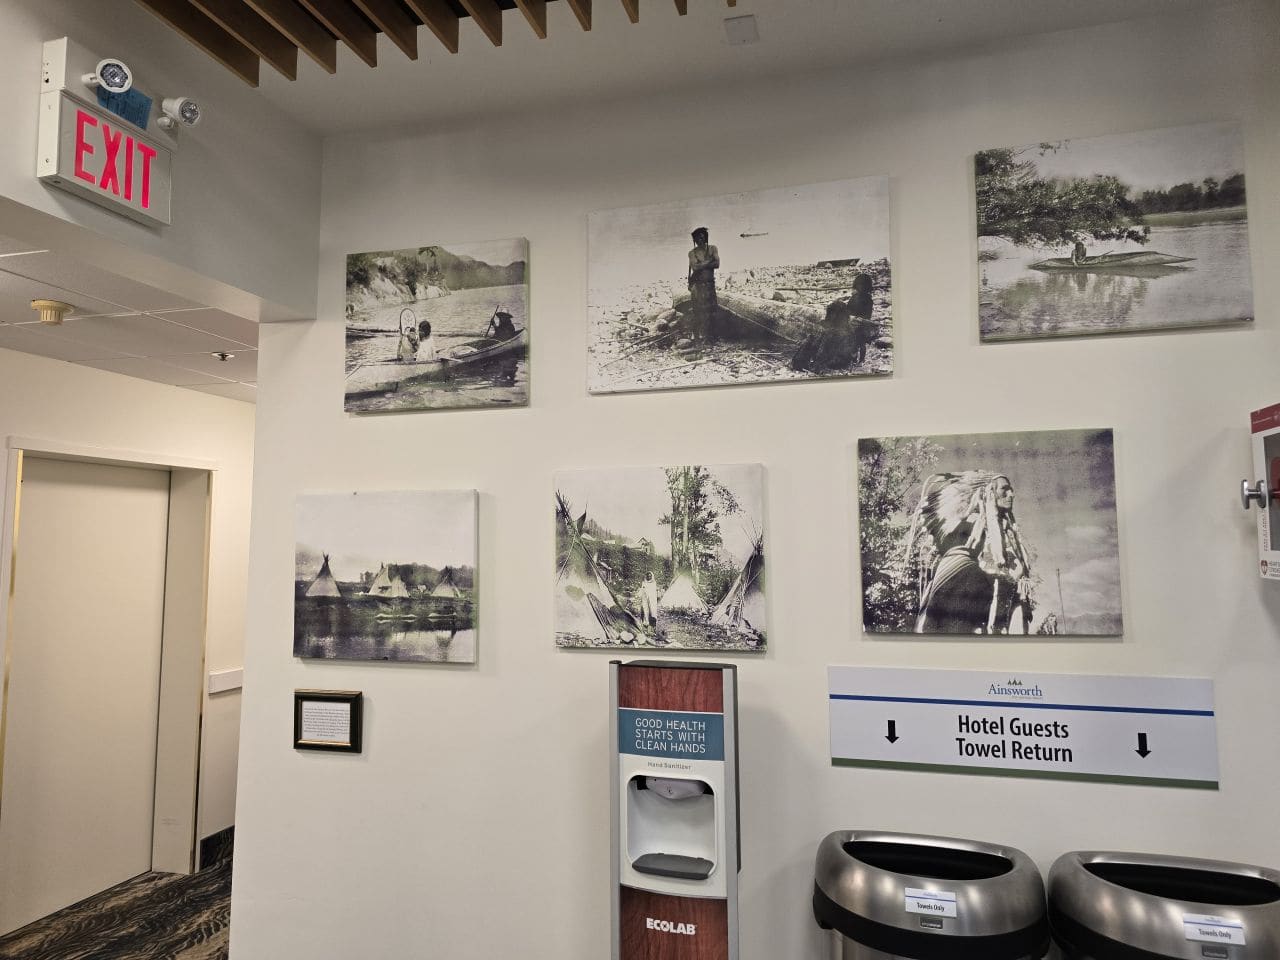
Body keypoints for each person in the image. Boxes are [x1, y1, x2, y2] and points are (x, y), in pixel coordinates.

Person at [904, 471, 1033, 635]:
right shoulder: (972, 521)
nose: (1011, 495)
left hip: (973, 591)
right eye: (1004, 490)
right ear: (989, 492)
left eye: (1012, 490)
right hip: (957, 584)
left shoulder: (1002, 529)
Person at [687, 227, 720, 341]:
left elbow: (717, 264)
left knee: (713, 311)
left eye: (701, 237)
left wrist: (702, 264)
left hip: (710, 285)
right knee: (698, 311)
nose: (699, 240)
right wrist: (709, 261)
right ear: (694, 240)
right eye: (697, 238)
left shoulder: (712, 248)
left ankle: (713, 336)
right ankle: (696, 336)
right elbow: (695, 267)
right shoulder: (692, 253)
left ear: (705, 238)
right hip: (698, 286)